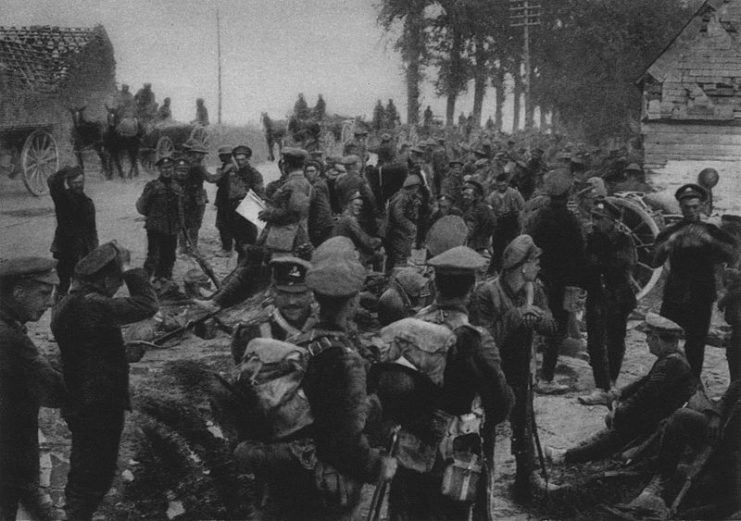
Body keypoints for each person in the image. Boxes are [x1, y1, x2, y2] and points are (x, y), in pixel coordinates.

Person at [233, 239, 398, 521]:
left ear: (314, 295)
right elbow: (342, 438)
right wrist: (376, 465)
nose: (293, 300)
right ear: (354, 300)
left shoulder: (307, 340)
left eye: (300, 293)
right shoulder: (338, 354)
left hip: (286, 469)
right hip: (317, 479)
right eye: (285, 292)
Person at [381, 245, 513, 521]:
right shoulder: (475, 339)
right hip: (454, 459)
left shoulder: (410, 325)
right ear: (472, 287)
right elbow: (500, 405)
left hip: (409, 450)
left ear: (436, 284)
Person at [51, 243, 157, 521]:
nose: (116, 288)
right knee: (94, 472)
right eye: (117, 281)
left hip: (81, 397)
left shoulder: (70, 301)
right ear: (106, 279)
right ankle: (76, 516)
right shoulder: (92, 303)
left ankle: (76, 513)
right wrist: (131, 270)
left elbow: (91, 345)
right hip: (98, 402)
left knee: (85, 464)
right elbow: (147, 304)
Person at [470, 234, 558, 500]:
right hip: (490, 372)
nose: (539, 267)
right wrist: (517, 315)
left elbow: (553, 327)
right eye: (536, 262)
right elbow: (484, 339)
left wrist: (539, 317)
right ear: (523, 265)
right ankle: (481, 484)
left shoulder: (536, 290)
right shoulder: (487, 293)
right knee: (485, 428)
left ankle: (525, 479)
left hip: (520, 369)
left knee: (523, 424)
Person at [546, 313, 696, 466]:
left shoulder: (671, 364)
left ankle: (566, 457)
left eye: (649, 337)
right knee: (614, 426)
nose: (646, 341)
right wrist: (620, 393)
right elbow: (645, 381)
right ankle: (571, 452)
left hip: (662, 420)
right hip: (661, 413)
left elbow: (646, 394)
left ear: (656, 339)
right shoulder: (673, 357)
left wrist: (622, 411)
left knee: (618, 432)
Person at [0, 258, 66, 521]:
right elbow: (54, 391)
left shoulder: (8, 328)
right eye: (42, 293)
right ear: (18, 292)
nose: (49, 302)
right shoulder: (9, 338)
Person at [616, 380, 741, 519]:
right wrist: (716, 415)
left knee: (732, 499)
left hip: (736, 450)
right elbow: (728, 395)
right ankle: (662, 479)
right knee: (681, 417)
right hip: (722, 433)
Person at [653, 183, 736, 377]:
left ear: (701, 207)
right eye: (686, 207)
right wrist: (670, 243)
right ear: (680, 207)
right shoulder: (671, 231)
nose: (691, 211)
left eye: (695, 207)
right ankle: (663, 384)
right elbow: (654, 261)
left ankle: (692, 388)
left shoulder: (711, 230)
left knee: (696, 345)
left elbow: (732, 255)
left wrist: (709, 241)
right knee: (666, 343)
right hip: (674, 295)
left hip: (701, 296)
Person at [527, 169, 586, 394]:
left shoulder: (536, 217)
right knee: (557, 330)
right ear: (568, 193)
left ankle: (531, 374)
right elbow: (580, 255)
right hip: (564, 284)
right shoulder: (571, 221)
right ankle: (547, 378)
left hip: (536, 279)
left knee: (532, 324)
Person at [578, 199, 637, 405]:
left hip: (618, 297)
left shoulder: (624, 239)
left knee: (614, 339)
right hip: (597, 296)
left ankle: (610, 381)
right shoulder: (593, 238)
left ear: (612, 220)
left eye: (599, 218)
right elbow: (585, 265)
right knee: (594, 341)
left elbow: (624, 265)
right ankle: (601, 385)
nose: (594, 222)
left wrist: (599, 261)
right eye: (593, 217)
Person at [228, 256, 316, 364]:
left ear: (311, 293)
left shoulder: (327, 326)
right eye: (284, 294)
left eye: (299, 294)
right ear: (272, 292)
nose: (291, 302)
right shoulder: (252, 332)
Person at [47, 166, 98, 300]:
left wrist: (94, 249)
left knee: (82, 284)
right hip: (65, 249)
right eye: (75, 183)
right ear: (68, 183)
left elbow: (92, 229)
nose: (78, 186)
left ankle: (77, 311)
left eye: (80, 182)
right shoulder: (62, 198)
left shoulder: (88, 202)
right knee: (62, 284)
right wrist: (65, 170)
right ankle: (59, 309)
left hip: (83, 249)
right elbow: (53, 182)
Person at [136, 155, 184, 282]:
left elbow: (180, 208)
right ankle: (144, 283)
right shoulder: (152, 186)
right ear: (160, 170)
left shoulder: (177, 187)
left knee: (169, 256)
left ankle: (164, 280)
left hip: (172, 228)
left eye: (169, 168)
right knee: (153, 256)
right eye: (164, 168)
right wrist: (152, 216)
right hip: (156, 228)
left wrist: (180, 224)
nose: (167, 170)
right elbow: (141, 207)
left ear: (173, 169)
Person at [258, 148, 313, 256]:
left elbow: (294, 213)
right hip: (287, 237)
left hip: (289, 238)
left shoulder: (296, 184)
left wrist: (269, 213)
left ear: (286, 165)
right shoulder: (296, 182)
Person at [333, 191, 383, 268]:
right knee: (378, 256)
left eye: (360, 206)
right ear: (349, 205)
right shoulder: (350, 219)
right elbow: (366, 241)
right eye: (356, 205)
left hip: (342, 252)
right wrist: (380, 241)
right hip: (345, 255)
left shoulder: (344, 217)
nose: (359, 208)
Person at [487, 173, 525, 273]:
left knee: (514, 246)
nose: (501, 187)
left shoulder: (514, 193)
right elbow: (489, 210)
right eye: (499, 185)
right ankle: (498, 270)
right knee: (498, 248)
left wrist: (520, 222)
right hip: (499, 223)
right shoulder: (492, 196)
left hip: (512, 222)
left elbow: (522, 207)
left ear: (507, 183)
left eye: (504, 185)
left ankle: (514, 267)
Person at [384, 174, 422, 272]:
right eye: (417, 188)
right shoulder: (402, 197)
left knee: (395, 259)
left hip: (398, 233)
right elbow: (398, 215)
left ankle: (388, 278)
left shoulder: (406, 196)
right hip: (396, 233)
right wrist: (410, 226)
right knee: (399, 260)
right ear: (414, 188)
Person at [179, 141, 212, 253]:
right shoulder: (198, 167)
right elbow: (211, 179)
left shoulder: (182, 164)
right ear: (194, 153)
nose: (202, 156)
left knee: (183, 223)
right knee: (195, 224)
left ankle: (182, 248)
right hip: (196, 198)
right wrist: (224, 171)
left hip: (184, 197)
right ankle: (193, 248)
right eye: (200, 153)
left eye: (202, 154)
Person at [334, 155, 378, 235]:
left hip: (345, 214)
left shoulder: (340, 180)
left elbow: (337, 198)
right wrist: (375, 212)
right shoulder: (360, 180)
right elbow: (370, 198)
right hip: (360, 217)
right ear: (356, 165)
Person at [461, 180, 495, 258]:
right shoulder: (481, 206)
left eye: (468, 194)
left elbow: (470, 230)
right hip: (483, 242)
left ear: (476, 195)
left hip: (477, 244)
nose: (465, 197)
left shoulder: (477, 209)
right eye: (464, 194)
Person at [305, 160, 334, 247]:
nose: (309, 174)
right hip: (324, 224)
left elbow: (323, 208)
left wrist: (318, 227)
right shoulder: (319, 183)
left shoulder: (317, 186)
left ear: (318, 172)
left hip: (321, 226)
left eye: (312, 171)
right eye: (307, 171)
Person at [213, 145, 235, 256]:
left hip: (226, 200)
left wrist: (219, 174)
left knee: (224, 224)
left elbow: (219, 182)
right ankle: (227, 246)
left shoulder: (229, 167)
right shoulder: (229, 166)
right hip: (225, 199)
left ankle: (227, 249)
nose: (220, 157)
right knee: (225, 223)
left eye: (222, 155)